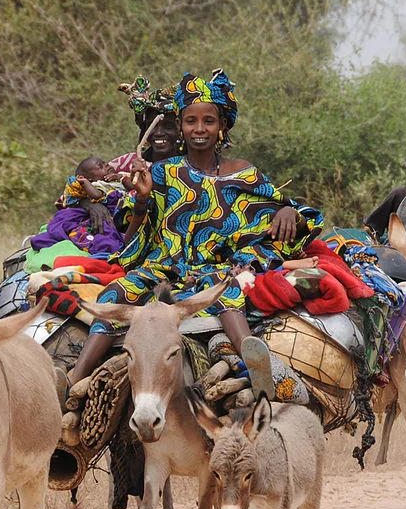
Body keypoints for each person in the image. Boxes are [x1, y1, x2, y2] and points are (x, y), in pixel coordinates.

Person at [66, 69, 322, 389]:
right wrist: (142, 199)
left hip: (218, 267)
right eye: (191, 121)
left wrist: (287, 211)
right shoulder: (162, 173)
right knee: (115, 294)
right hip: (164, 268)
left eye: (208, 121)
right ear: (181, 126)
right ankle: (74, 379)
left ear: (222, 125)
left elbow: (293, 211)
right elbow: (132, 240)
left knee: (226, 290)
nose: (199, 128)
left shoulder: (242, 173)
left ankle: (256, 363)